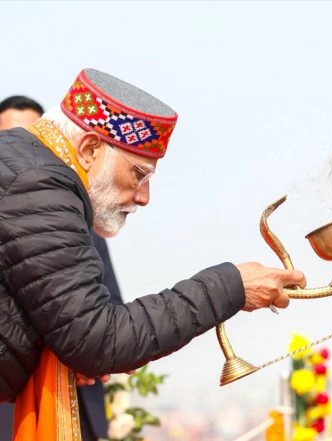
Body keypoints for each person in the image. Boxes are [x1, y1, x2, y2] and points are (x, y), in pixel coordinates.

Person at [0, 68, 305, 439]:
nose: (144, 197)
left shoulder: (25, 166)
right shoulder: (39, 184)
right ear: (89, 149)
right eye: (138, 174)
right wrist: (232, 286)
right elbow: (98, 339)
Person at [0, 94, 126, 441]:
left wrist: (90, 348)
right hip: (13, 403)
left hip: (79, 398)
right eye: (10, 137)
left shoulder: (80, 219)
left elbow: (108, 304)